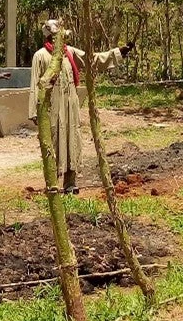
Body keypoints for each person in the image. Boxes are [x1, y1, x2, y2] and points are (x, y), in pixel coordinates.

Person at [30, 19, 133, 195]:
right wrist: (35, 113)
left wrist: (118, 53)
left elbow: (92, 59)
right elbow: (34, 85)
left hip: (71, 104)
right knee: (54, 142)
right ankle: (52, 184)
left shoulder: (69, 52)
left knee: (73, 141)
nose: (59, 39)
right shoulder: (40, 56)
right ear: (49, 37)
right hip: (52, 106)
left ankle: (70, 183)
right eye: (55, 36)